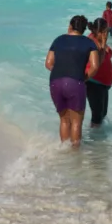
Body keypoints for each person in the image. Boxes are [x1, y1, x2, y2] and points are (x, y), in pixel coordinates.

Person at [45, 15, 100, 146]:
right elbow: (95, 66)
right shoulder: (89, 43)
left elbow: (48, 63)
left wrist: (61, 72)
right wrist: (84, 78)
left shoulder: (58, 40)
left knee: (64, 120)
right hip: (76, 82)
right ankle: (75, 157)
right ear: (84, 29)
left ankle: (64, 150)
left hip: (55, 82)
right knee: (76, 122)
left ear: (70, 26)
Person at [85, 17, 112, 128]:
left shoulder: (99, 40)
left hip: (102, 84)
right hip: (94, 82)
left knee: (102, 114)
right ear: (101, 31)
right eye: (106, 30)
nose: (107, 32)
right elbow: (98, 63)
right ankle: (95, 142)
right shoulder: (92, 43)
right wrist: (103, 46)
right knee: (97, 117)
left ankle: (99, 140)